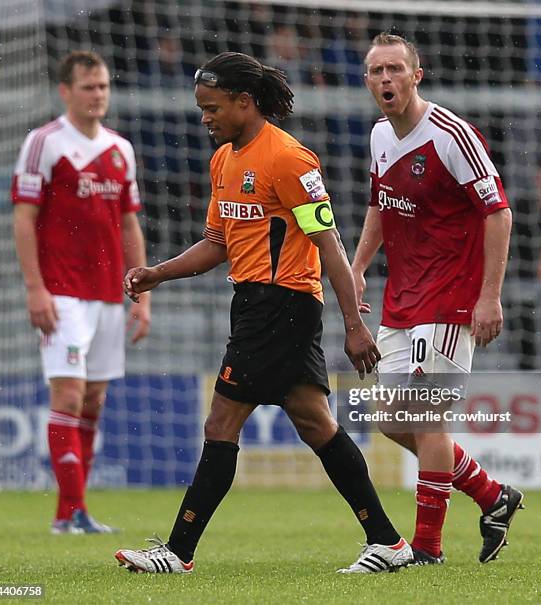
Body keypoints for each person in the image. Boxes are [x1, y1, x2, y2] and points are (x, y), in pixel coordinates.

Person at [114, 51, 412, 575]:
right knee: (315, 423)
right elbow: (217, 243)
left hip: (283, 303)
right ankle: (387, 542)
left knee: (221, 421)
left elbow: (329, 244)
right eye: (201, 108)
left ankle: (179, 551)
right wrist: (158, 272)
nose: (205, 118)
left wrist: (356, 322)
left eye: (212, 108)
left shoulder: (289, 160)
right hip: (252, 302)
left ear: (244, 102)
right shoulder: (224, 159)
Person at [351, 34, 523, 565]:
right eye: (377, 71)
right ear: (367, 80)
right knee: (390, 418)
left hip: (450, 298)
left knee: (426, 419)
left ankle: (427, 548)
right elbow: (381, 204)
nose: (386, 79)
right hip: (401, 299)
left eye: (396, 69)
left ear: (415, 76)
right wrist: (357, 268)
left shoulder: (451, 135)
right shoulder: (381, 135)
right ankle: (493, 496)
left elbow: (498, 213)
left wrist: (488, 297)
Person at [12, 51, 151, 534]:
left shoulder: (120, 149)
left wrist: (143, 289)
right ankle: (72, 512)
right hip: (62, 292)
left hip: (109, 294)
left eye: (104, 86)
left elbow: (129, 223)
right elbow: (23, 219)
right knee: (68, 395)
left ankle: (71, 512)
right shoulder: (43, 143)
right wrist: (36, 289)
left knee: (93, 401)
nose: (99, 95)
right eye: (89, 87)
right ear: (65, 91)